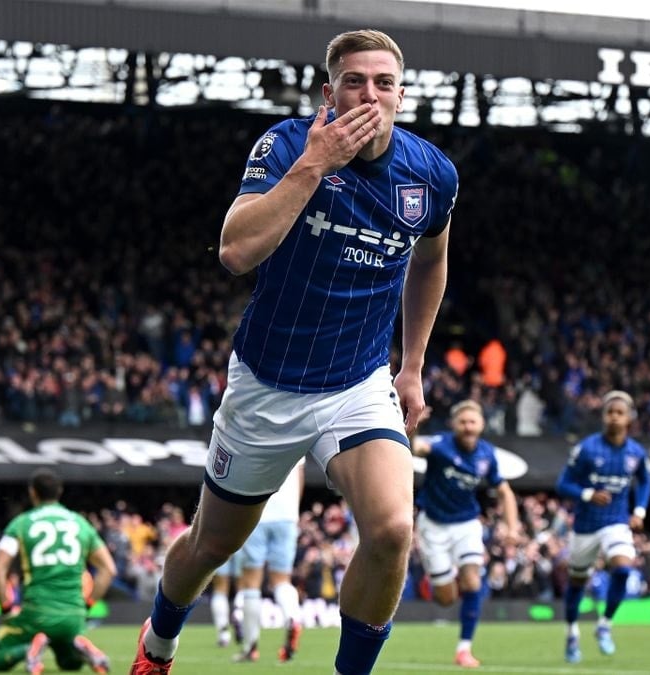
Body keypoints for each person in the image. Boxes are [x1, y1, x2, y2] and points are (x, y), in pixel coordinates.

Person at [131, 27, 458, 675]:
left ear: (402, 93)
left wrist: (413, 363)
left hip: (357, 383)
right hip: (267, 382)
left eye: (384, 82)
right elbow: (235, 250)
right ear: (328, 90)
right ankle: (159, 642)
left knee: (393, 530)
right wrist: (316, 164)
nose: (370, 93)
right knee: (211, 543)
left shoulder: (432, 175)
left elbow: (432, 261)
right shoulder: (285, 145)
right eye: (355, 81)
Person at [410, 400, 521, 668]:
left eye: (473, 422)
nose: (468, 427)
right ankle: (445, 576)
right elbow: (412, 448)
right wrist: (414, 425)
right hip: (432, 524)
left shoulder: (487, 455)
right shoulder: (439, 445)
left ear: (481, 424)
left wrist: (512, 527)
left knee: (472, 583)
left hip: (467, 524)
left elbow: (505, 492)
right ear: (454, 424)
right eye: (463, 422)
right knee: (445, 599)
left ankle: (464, 649)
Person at [0, 469, 116, 674]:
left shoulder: (21, 523)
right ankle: (80, 646)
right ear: (59, 491)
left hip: (37, 614)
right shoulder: (80, 524)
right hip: (73, 616)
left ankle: (27, 650)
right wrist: (86, 605)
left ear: (32, 492)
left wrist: (6, 609)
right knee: (70, 663)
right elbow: (108, 569)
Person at [555, 390, 650, 663]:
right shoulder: (586, 448)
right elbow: (562, 484)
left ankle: (605, 625)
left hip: (616, 522)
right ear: (603, 416)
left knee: (623, 569)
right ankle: (572, 633)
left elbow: (645, 481)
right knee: (577, 582)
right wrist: (587, 494)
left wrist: (640, 510)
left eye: (620, 413)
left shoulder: (636, 453)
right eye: (610, 412)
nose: (614, 417)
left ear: (629, 418)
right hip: (585, 526)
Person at [232, 460, 306, 664]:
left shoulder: (256, 428)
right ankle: (292, 616)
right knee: (282, 580)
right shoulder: (298, 429)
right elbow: (300, 478)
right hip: (287, 517)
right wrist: (293, 512)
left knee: (251, 582)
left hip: (257, 513)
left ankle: (250, 647)